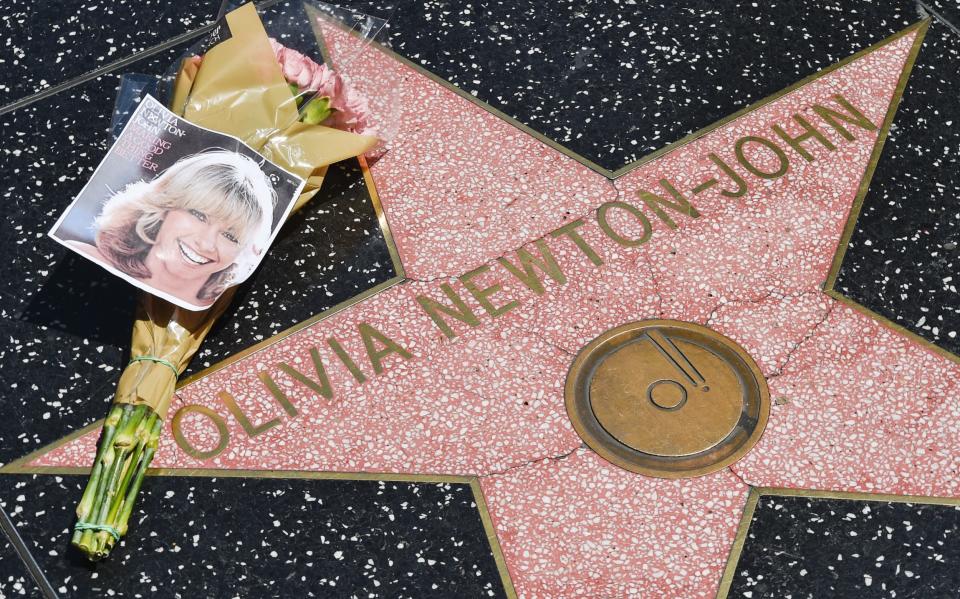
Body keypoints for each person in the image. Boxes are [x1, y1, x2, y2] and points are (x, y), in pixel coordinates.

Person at [69, 150, 277, 309]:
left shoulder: (224, 314)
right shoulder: (83, 257)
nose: (206, 243)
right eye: (199, 215)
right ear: (164, 206)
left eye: (230, 236)